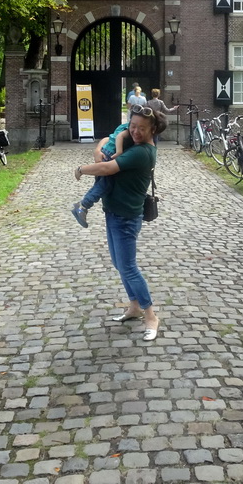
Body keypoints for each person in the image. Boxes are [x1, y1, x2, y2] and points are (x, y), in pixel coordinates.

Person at [73, 106, 165, 342]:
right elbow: (106, 139)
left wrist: (82, 169)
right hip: (112, 212)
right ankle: (134, 307)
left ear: (152, 130)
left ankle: (151, 316)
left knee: (129, 268)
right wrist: (97, 150)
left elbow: (107, 167)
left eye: (141, 128)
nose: (135, 131)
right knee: (119, 264)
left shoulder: (142, 152)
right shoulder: (131, 140)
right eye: (132, 126)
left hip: (126, 217)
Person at [71, 120, 132, 228]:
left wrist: (99, 149)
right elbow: (119, 137)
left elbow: (110, 137)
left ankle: (83, 206)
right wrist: (119, 152)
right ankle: (83, 205)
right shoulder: (130, 128)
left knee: (100, 183)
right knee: (105, 184)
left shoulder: (123, 125)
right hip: (110, 154)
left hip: (105, 150)